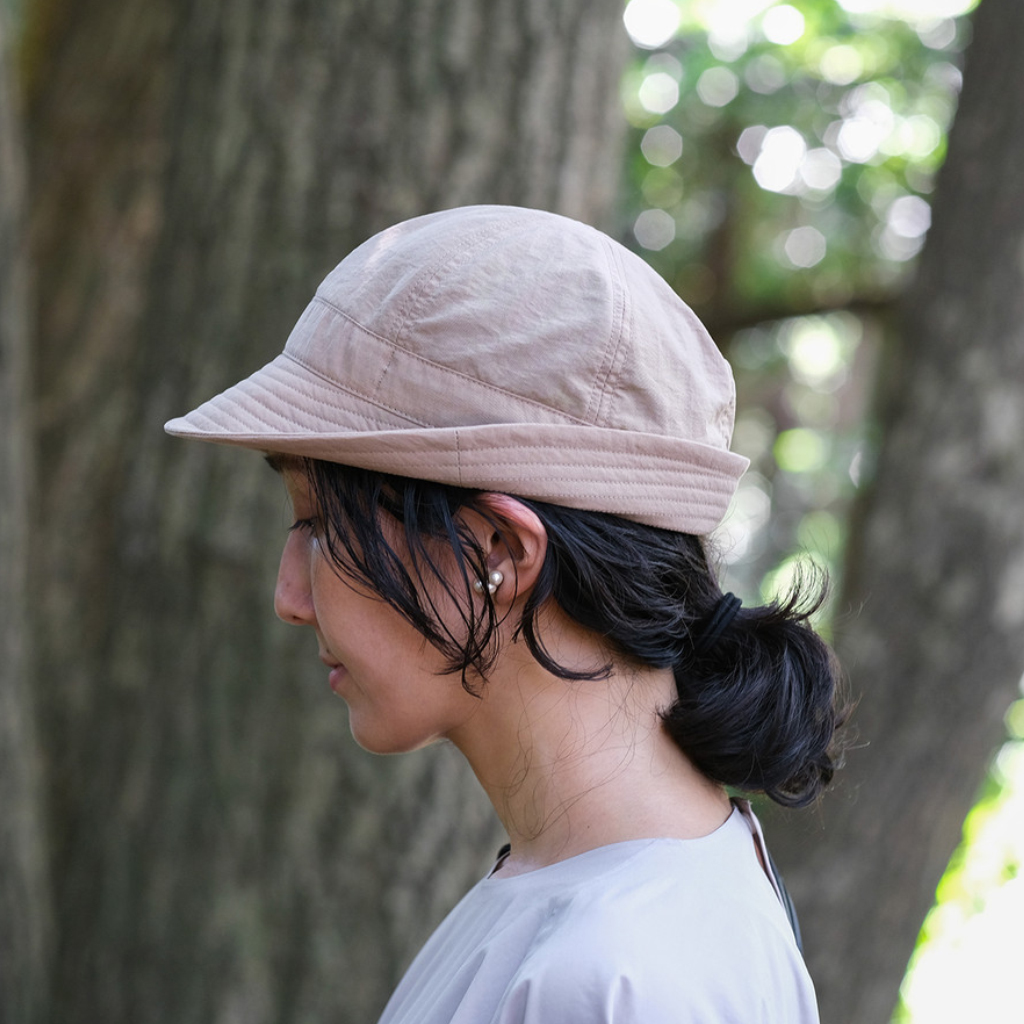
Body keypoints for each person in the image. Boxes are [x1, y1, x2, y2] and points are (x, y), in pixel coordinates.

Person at [165, 205, 843, 1023]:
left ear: (499, 549)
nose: (289, 599)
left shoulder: (611, 981)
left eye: (319, 525)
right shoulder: (609, 899)